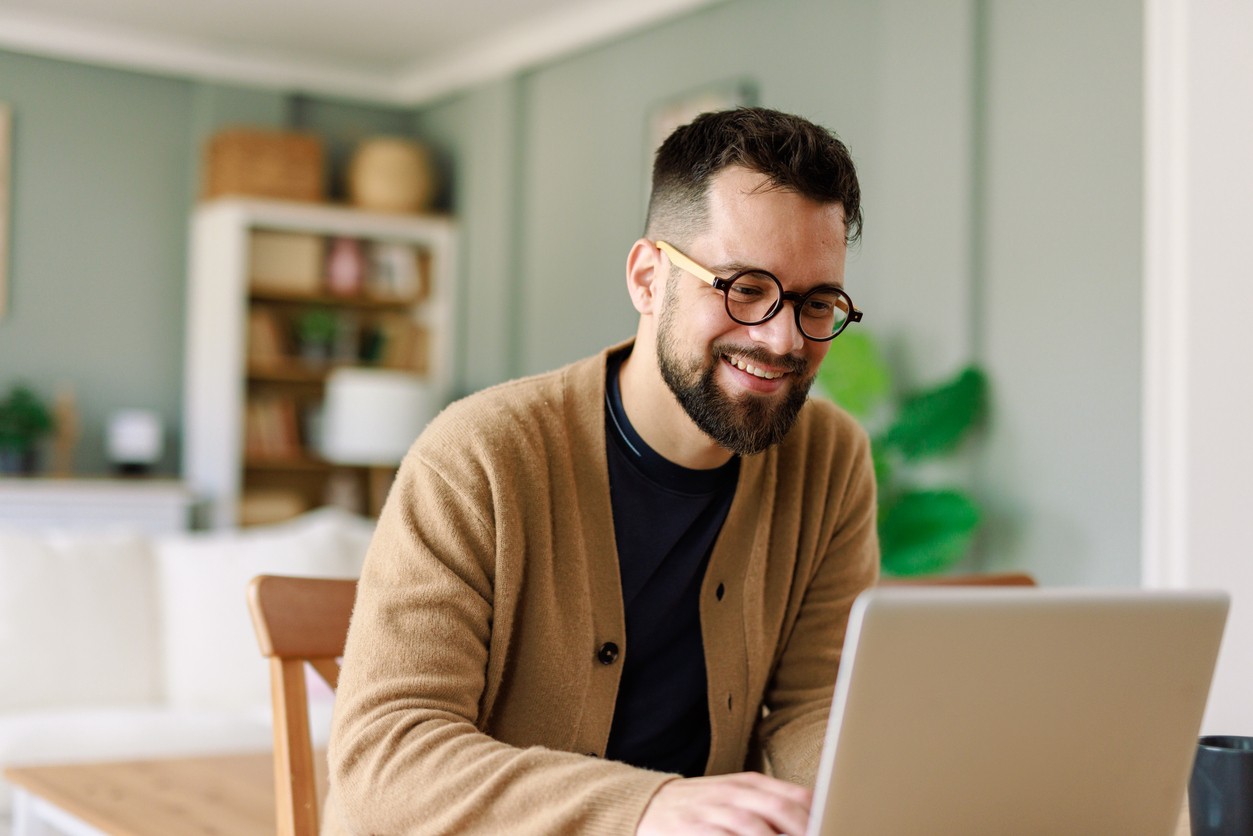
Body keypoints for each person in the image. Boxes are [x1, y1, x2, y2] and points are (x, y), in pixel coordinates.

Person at [326, 107, 879, 835]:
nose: (781, 338)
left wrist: (871, 792)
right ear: (649, 279)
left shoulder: (829, 459)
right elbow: (383, 762)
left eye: (816, 302)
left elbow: (815, 707)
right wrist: (642, 808)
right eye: (744, 287)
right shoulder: (477, 456)